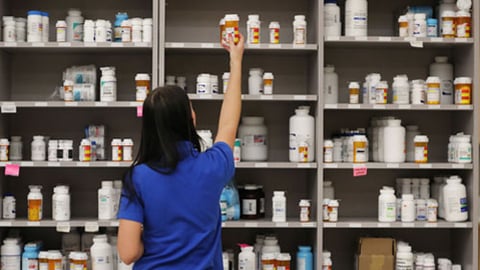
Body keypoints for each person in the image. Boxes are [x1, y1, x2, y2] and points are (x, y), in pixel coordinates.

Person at [117, 33, 245, 269]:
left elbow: (128, 253)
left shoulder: (138, 177)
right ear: (190, 120)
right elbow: (228, 123)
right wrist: (236, 61)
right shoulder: (213, 166)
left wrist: (152, 243)